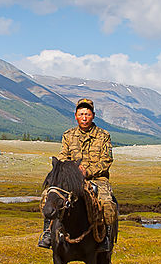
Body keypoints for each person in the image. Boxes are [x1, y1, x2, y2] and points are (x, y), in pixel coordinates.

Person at [38, 98, 117, 252]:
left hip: (97, 179)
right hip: (71, 179)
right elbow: (62, 158)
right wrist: (73, 170)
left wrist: (87, 171)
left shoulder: (103, 135)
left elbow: (106, 160)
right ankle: (47, 232)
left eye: (87, 114)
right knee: (47, 196)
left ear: (93, 116)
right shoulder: (68, 135)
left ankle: (105, 238)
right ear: (75, 116)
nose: (84, 117)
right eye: (81, 114)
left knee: (107, 203)